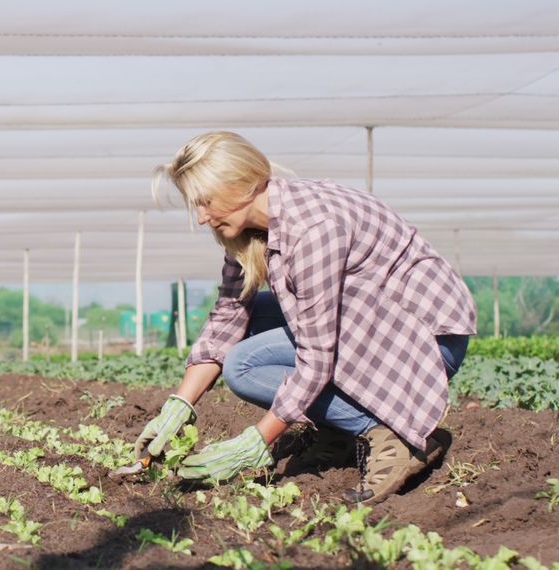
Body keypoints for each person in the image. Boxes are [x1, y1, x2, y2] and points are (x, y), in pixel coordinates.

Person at [135, 131, 476, 504]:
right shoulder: (252, 232)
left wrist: (257, 441)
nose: (201, 218)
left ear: (241, 185)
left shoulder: (312, 229)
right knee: (251, 315)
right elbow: (229, 313)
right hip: (373, 325)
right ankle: (338, 427)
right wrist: (178, 406)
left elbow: (316, 356)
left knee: (242, 366)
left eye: (205, 202)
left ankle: (389, 433)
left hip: (423, 339)